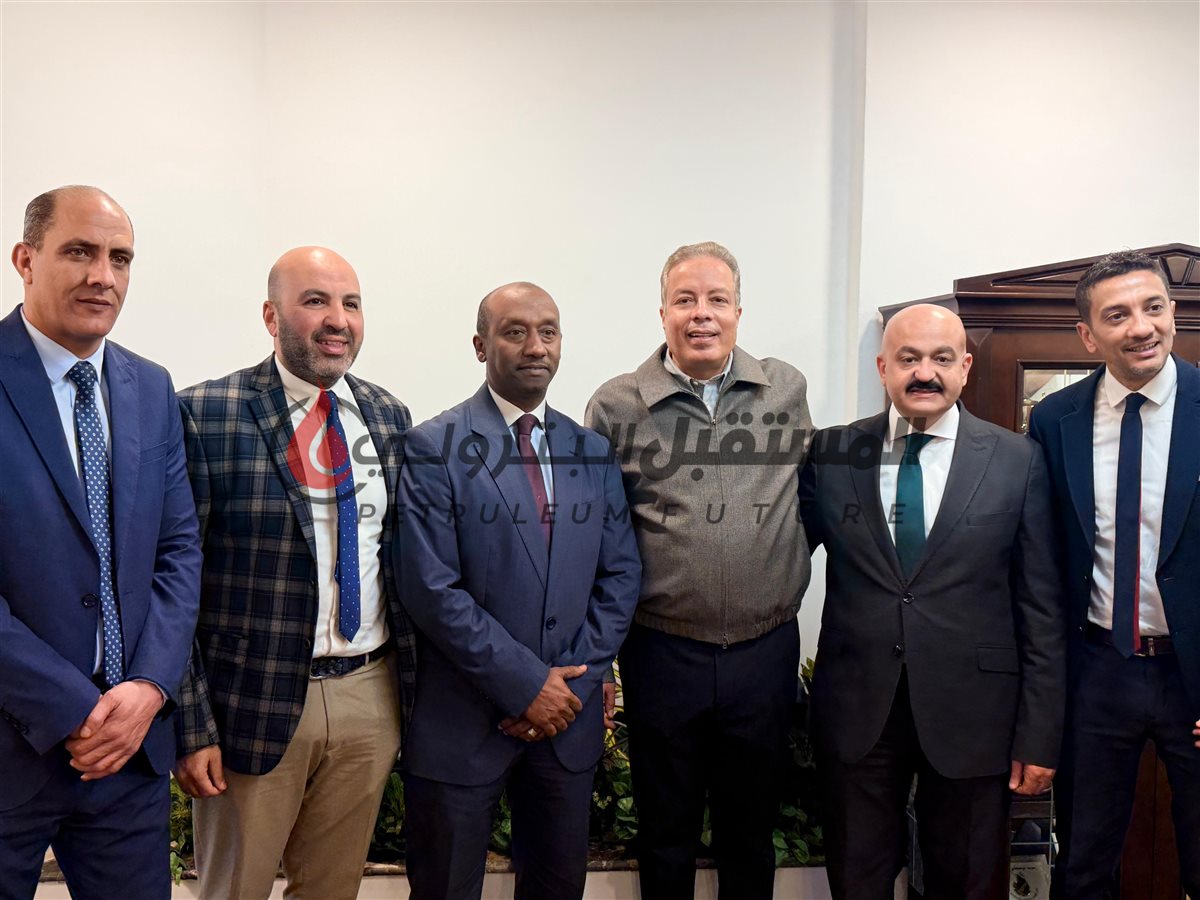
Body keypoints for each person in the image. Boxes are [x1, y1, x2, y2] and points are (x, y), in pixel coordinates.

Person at [173, 246, 416, 900]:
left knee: (332, 891)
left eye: (351, 303)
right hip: (250, 703)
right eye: (315, 301)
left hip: (369, 696)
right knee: (234, 890)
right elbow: (173, 583)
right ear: (271, 316)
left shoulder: (388, 416)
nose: (338, 319)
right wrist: (190, 725)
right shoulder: (206, 413)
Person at [799, 303, 1065, 899]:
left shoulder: (1016, 459)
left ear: (965, 367)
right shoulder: (833, 452)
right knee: (857, 880)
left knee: (966, 882)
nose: (925, 373)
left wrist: (1039, 734)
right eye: (909, 358)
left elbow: (1041, 607)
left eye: (941, 358)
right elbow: (779, 550)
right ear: (883, 368)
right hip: (859, 709)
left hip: (976, 714)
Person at [397, 281, 641, 900]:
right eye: (515, 332)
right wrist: (529, 686)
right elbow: (431, 588)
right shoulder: (434, 446)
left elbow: (620, 576)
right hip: (463, 725)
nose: (536, 346)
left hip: (566, 728)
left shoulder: (592, 451)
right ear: (480, 346)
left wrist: (571, 689)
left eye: (548, 332)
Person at [585, 241, 811, 899]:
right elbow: (597, 536)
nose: (701, 313)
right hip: (662, 653)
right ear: (663, 314)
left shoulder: (785, 389)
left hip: (764, 651)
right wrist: (598, 657)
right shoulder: (617, 404)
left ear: (739, 311)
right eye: (685, 300)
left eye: (717, 299)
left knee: (751, 834)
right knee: (666, 834)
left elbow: (811, 495)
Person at [0, 185, 202, 899]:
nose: (102, 276)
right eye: (80, 252)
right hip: (11, 739)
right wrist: (74, 708)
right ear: (26, 260)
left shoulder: (150, 387)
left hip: (129, 755)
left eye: (120, 258)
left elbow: (178, 553)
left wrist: (147, 689)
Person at [1028, 250, 1200, 897]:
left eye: (1153, 308)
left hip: (1194, 676)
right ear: (1088, 334)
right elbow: (1044, 561)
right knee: (1083, 866)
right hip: (1098, 670)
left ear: (1173, 313)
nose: (1141, 327)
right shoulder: (1054, 420)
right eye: (1118, 315)